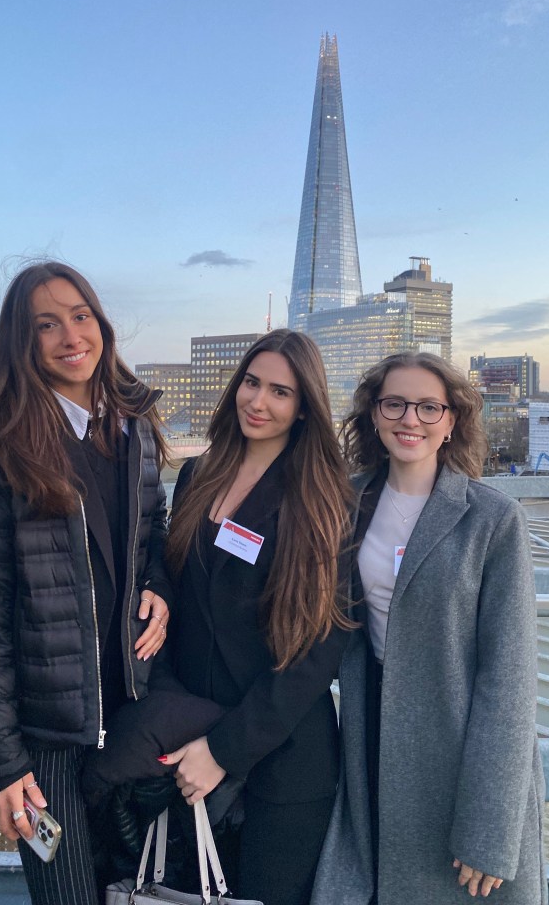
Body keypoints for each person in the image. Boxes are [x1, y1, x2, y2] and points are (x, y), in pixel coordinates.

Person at [0, 261, 172, 905]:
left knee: (141, 888)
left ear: (101, 324)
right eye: (46, 325)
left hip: (133, 719)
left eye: (81, 316)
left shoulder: (134, 429)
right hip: (43, 744)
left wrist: (161, 581)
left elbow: (156, 532)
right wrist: (1, 765)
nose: (71, 335)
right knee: (65, 896)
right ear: (22, 343)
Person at [312, 352, 547, 905]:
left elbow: (509, 680)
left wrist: (490, 827)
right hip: (372, 736)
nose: (409, 419)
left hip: (460, 747)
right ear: (373, 414)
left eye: (428, 407)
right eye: (394, 403)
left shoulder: (492, 518)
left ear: (452, 421)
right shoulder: (346, 503)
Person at [158, 329, 354, 905]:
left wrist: (225, 750)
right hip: (188, 743)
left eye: (280, 392)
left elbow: (320, 649)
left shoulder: (323, 498)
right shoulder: (199, 475)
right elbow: (178, 591)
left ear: (304, 409)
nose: (258, 402)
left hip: (283, 762)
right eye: (251, 382)